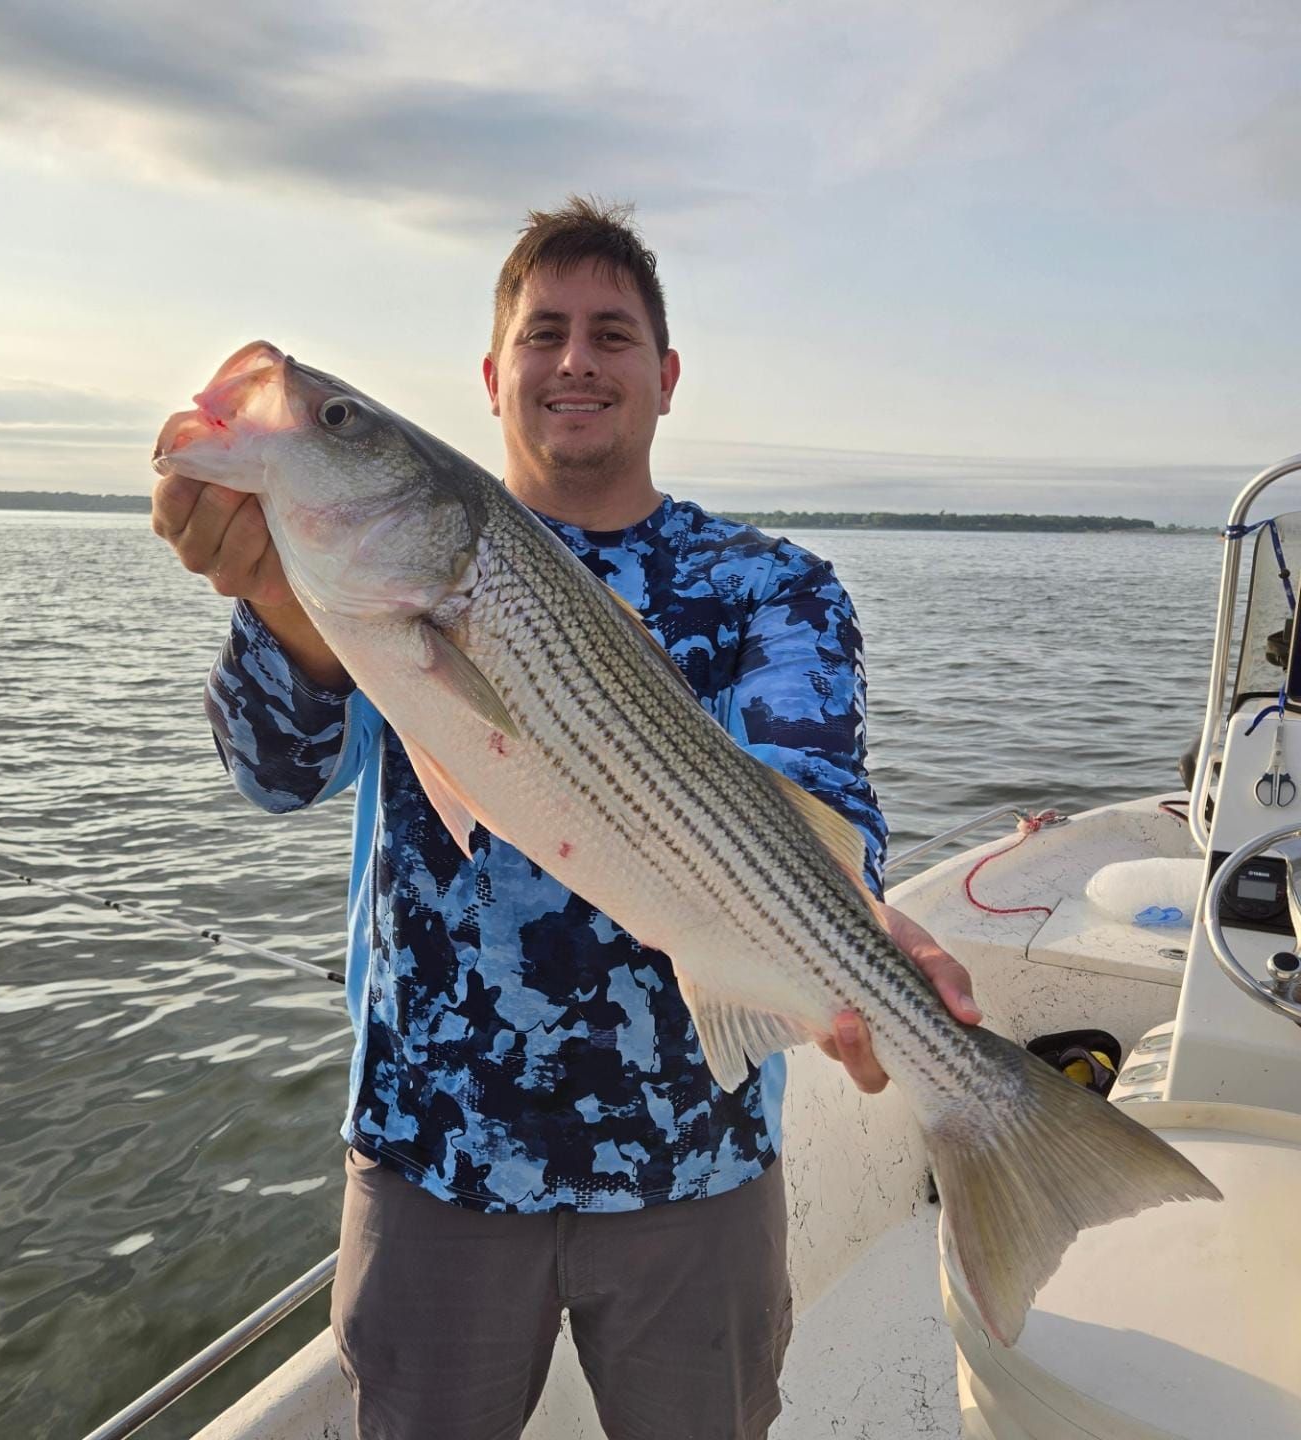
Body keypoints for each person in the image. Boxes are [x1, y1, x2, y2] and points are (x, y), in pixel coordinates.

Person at [152, 197, 979, 1440]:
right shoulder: (360, 580)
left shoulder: (773, 588)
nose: (576, 360)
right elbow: (274, 777)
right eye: (543, 334)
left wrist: (861, 937)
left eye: (611, 333)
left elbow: (818, 797)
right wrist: (275, 608)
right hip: (434, 1157)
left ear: (666, 376)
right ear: (493, 378)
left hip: (695, 1164)